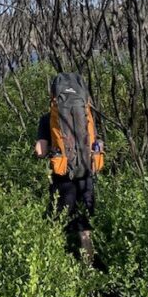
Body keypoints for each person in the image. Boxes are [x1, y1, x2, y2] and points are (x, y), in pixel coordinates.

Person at [35, 72, 104, 261]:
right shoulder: (88, 117)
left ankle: (57, 265)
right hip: (85, 176)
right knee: (84, 227)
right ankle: (89, 264)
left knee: (58, 222)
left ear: (53, 96)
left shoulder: (48, 119)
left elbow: (40, 150)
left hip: (62, 178)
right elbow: (97, 143)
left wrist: (47, 152)